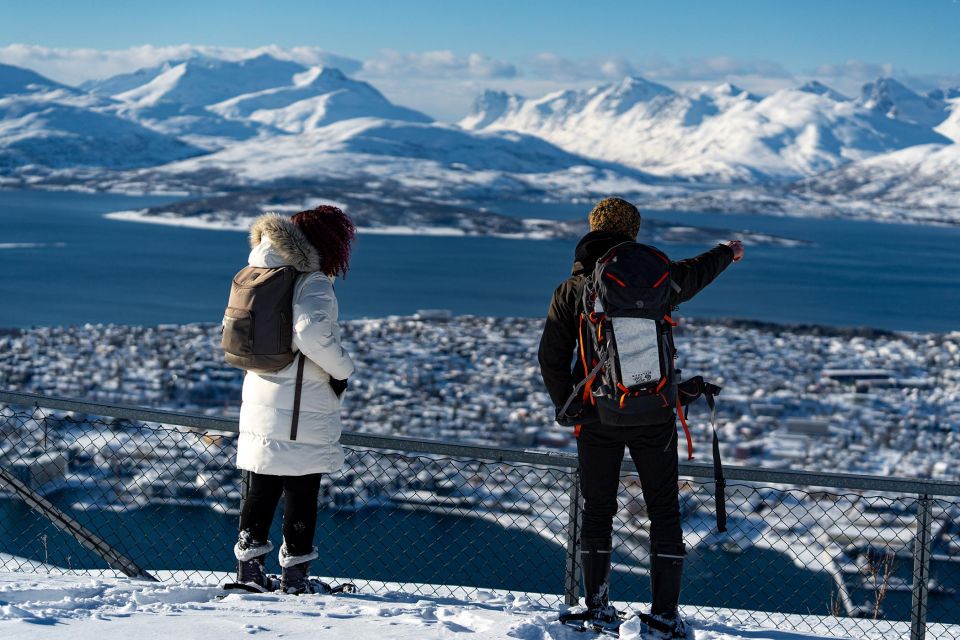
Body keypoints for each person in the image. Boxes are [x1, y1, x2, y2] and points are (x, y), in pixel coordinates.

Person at [538, 197, 743, 636]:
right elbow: (696, 272)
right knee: (664, 511)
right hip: (655, 414)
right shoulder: (659, 279)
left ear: (592, 229)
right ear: (633, 232)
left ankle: (597, 607)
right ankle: (664, 615)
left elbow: (551, 357)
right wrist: (728, 251)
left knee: (597, 510)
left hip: (595, 416)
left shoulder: (572, 290)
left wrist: (568, 404)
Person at [232, 206, 356, 594]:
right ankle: (295, 580)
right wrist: (343, 369)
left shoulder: (262, 273)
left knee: (260, 486)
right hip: (300, 406)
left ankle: (249, 574)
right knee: (302, 490)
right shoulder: (311, 280)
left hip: (261, 396)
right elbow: (311, 333)